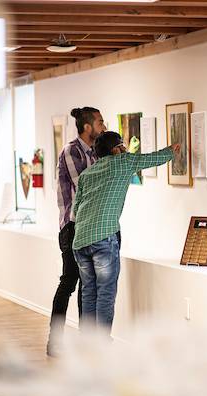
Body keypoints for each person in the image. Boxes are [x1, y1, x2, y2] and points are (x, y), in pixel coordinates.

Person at [72, 131, 180, 334]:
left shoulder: (87, 174)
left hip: (80, 240)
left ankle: (87, 346)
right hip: (103, 238)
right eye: (122, 146)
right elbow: (151, 159)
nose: (124, 150)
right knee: (105, 293)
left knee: (88, 293)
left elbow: (75, 210)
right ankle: (101, 346)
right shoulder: (122, 162)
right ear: (116, 149)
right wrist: (171, 151)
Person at [47, 107, 106, 357]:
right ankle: (54, 341)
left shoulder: (96, 152)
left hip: (89, 226)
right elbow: (85, 182)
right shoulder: (71, 151)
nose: (104, 126)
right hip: (72, 227)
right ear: (87, 127)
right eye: (100, 122)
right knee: (69, 282)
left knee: (88, 285)